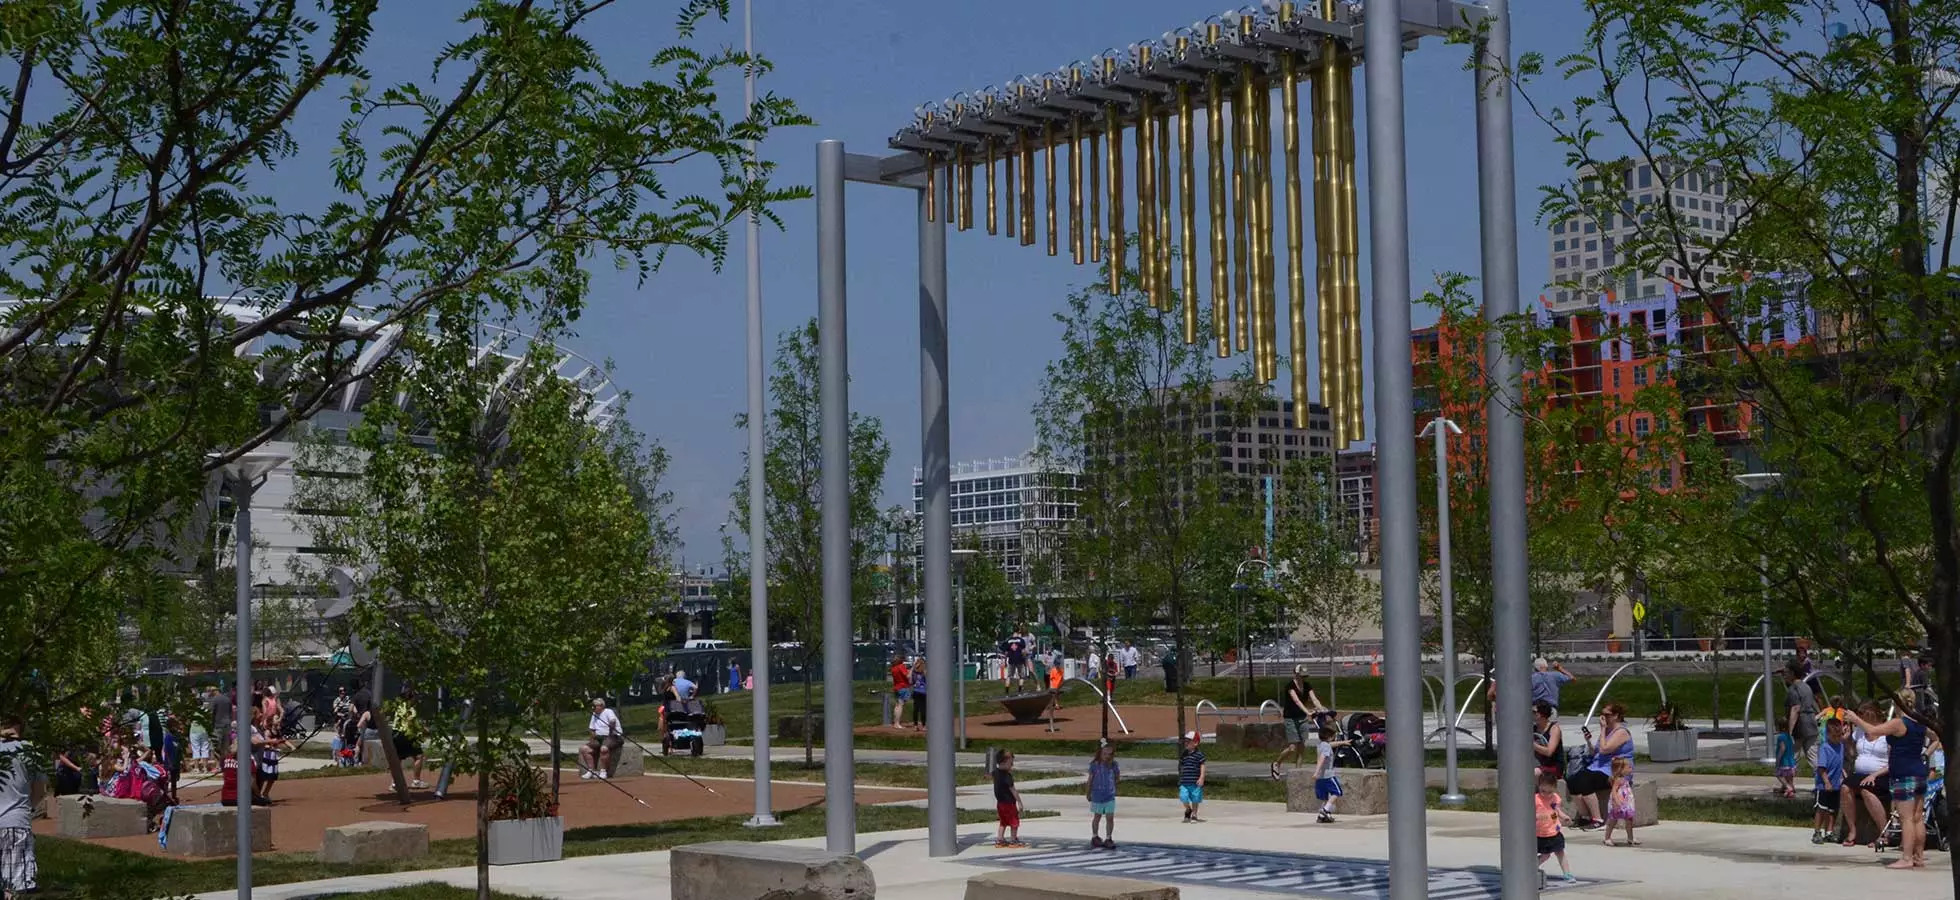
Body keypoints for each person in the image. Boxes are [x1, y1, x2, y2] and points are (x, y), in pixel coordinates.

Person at [1844, 693, 1929, 869]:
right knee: (1918, 818)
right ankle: (1918, 856)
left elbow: (1873, 730)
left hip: (1903, 773)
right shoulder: (1919, 721)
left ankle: (1906, 858)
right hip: (1919, 772)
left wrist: (1854, 718)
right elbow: (1936, 737)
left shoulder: (1899, 723)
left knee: (1906, 819)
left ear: (1897, 703)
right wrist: (1925, 753)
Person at [1567, 703, 1633, 830]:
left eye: (1607, 715)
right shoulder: (1606, 732)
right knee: (1573, 781)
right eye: (1602, 715)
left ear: (1616, 716)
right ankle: (1585, 816)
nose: (1604, 718)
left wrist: (1602, 729)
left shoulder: (1621, 732)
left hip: (1614, 770)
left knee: (1586, 781)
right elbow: (1595, 752)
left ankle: (1598, 819)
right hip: (1597, 767)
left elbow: (1605, 749)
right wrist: (1589, 742)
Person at [0, 717, 43, 900]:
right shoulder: (30, 751)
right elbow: (40, 791)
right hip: (16, 822)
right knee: (15, 886)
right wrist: (28, 809)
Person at [1273, 666, 1327, 780]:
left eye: (1304, 676)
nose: (1303, 678)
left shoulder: (1307, 686)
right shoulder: (1290, 686)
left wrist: (1321, 708)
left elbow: (1314, 699)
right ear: (1296, 674)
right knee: (1292, 747)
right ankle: (1277, 763)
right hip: (1291, 718)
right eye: (1301, 676)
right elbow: (1297, 701)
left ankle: (1297, 775)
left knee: (1301, 747)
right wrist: (1308, 712)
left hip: (1302, 718)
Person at [1535, 769, 1576, 885]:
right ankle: (1531, 866)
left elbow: (1557, 810)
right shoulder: (1535, 799)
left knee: (1560, 852)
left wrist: (1564, 817)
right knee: (1545, 855)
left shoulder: (1555, 798)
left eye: (1549, 791)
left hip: (1554, 831)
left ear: (1554, 788)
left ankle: (1567, 873)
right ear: (1539, 786)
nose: (1546, 794)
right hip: (1539, 833)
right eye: (1543, 791)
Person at [1783, 660, 1821, 777]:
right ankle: (1821, 781)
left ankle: (1788, 784)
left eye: (1787, 673)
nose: (1785, 675)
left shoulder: (1793, 689)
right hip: (1811, 724)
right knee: (1813, 755)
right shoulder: (1807, 687)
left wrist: (1789, 731)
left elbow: (1795, 709)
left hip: (1800, 726)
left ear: (1793, 673)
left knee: (1792, 756)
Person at [1813, 716, 1846, 844]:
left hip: (1836, 784)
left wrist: (1843, 774)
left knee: (1832, 810)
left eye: (1839, 736)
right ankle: (1817, 832)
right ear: (1828, 734)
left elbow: (1840, 763)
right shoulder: (1825, 748)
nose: (1837, 739)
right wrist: (1826, 782)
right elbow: (1821, 768)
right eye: (1834, 736)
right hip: (1824, 785)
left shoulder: (1841, 746)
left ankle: (1829, 832)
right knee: (1821, 808)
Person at [388, 688, 428, 789]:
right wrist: (424, 730)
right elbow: (412, 724)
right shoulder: (411, 710)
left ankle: (394, 783)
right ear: (411, 698)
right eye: (415, 697)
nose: (416, 700)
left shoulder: (400, 706)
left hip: (395, 734)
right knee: (418, 756)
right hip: (406, 734)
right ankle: (416, 781)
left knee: (397, 759)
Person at [1311, 722, 1348, 824]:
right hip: (1328, 775)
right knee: (1337, 792)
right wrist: (1316, 771)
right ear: (1330, 737)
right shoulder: (1326, 748)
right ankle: (1325, 810)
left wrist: (1343, 742)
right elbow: (1322, 759)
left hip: (1320, 777)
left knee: (1324, 797)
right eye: (1334, 737)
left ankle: (1322, 816)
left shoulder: (1321, 745)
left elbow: (1331, 745)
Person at [1086, 742, 1119, 849]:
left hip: (1109, 795)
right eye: (1105, 754)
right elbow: (1090, 779)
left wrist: (1113, 786)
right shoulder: (1095, 765)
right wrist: (1088, 792)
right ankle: (1095, 836)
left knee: (1110, 817)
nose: (1107, 756)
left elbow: (1117, 777)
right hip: (1097, 795)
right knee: (1097, 816)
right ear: (1100, 753)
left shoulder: (1114, 765)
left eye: (1109, 754)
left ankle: (1108, 837)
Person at [582, 696, 624, 780]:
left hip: (613, 736)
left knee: (604, 749)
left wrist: (610, 733)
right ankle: (591, 770)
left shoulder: (608, 711)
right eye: (592, 706)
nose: (593, 708)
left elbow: (612, 721)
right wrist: (593, 738)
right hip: (599, 737)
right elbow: (592, 728)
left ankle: (603, 771)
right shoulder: (594, 714)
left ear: (601, 706)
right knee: (584, 749)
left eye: (594, 706)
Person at [1601, 756, 1638, 846]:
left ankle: (1630, 838)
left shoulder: (1624, 779)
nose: (1631, 768)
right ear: (1620, 769)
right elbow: (1614, 791)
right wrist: (1616, 801)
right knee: (1612, 821)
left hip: (1625, 803)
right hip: (1618, 803)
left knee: (1629, 820)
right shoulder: (1618, 780)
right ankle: (1607, 838)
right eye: (1628, 767)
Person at [993, 749, 1024, 848]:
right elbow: (1013, 790)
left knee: (1003, 822)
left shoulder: (996, 773)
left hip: (1000, 803)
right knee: (1014, 822)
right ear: (1004, 762)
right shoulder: (1007, 776)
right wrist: (1019, 802)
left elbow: (988, 775)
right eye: (1011, 763)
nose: (1012, 765)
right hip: (1009, 803)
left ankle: (1000, 839)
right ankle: (1013, 840)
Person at [1532, 701, 1566, 781]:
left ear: (1541, 714)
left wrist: (1533, 745)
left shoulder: (1554, 729)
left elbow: (1549, 752)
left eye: (1534, 712)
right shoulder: (1534, 728)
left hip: (1553, 766)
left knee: (1533, 772)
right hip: (1538, 764)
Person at [1178, 731, 1206, 823]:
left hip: (1195, 782)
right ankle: (1188, 809)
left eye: (1188, 741)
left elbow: (1202, 766)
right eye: (1185, 741)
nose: (1186, 743)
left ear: (1195, 743)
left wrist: (1201, 777)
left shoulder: (1199, 755)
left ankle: (1194, 814)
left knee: (1195, 798)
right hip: (1185, 782)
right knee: (1183, 797)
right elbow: (1181, 766)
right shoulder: (1184, 754)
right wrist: (1180, 777)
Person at [1774, 719, 1798, 798]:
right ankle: (1789, 787)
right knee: (1789, 777)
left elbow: (1782, 748)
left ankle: (1788, 787)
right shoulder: (1789, 736)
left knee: (1778, 774)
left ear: (1781, 728)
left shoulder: (1781, 737)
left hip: (1784, 761)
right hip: (1791, 761)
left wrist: (1778, 759)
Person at [890, 654, 913, 730]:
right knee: (900, 705)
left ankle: (895, 722)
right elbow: (908, 676)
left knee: (897, 705)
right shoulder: (901, 666)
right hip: (903, 687)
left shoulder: (893, 668)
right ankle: (897, 723)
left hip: (896, 687)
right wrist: (911, 670)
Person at [1003, 630, 1029, 694]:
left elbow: (1006, 653)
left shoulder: (1008, 641)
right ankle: (1020, 691)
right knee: (1021, 676)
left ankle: (1007, 693)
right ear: (1017, 634)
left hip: (1011, 660)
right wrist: (1025, 660)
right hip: (1019, 659)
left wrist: (1005, 662)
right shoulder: (1021, 640)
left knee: (1009, 676)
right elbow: (1023, 652)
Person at [910, 658, 928, 729]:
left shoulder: (914, 671)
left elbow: (911, 681)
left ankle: (915, 725)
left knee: (916, 709)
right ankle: (924, 725)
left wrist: (913, 667)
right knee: (923, 709)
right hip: (923, 691)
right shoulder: (924, 671)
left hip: (916, 691)